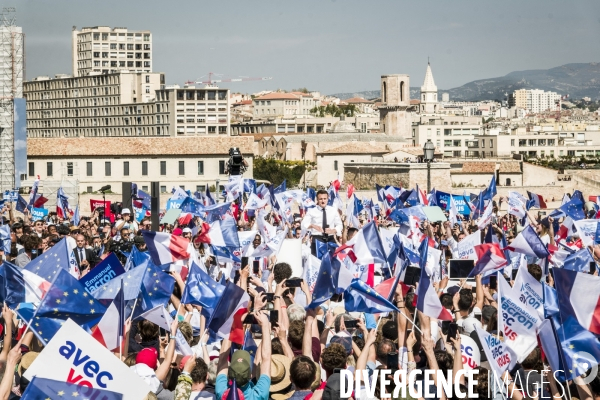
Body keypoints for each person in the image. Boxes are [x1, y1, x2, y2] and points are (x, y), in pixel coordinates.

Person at [301, 189, 342, 256]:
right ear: (317, 200)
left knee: (330, 261)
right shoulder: (312, 211)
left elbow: (340, 225)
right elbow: (303, 224)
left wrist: (333, 230)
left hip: (330, 239)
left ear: (327, 199)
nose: (323, 201)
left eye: (324, 199)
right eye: (320, 199)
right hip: (317, 239)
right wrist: (313, 226)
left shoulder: (333, 210)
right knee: (317, 261)